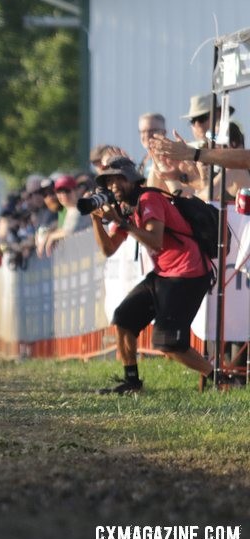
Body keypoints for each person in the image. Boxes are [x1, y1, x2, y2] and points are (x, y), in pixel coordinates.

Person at [90, 156, 218, 394]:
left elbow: (155, 241)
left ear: (132, 179)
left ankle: (219, 379)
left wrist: (122, 223)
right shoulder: (126, 208)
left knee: (169, 344)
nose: (114, 185)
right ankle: (132, 382)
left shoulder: (150, 198)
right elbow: (109, 249)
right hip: (164, 274)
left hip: (188, 272)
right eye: (109, 181)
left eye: (119, 178)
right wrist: (96, 220)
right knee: (123, 319)